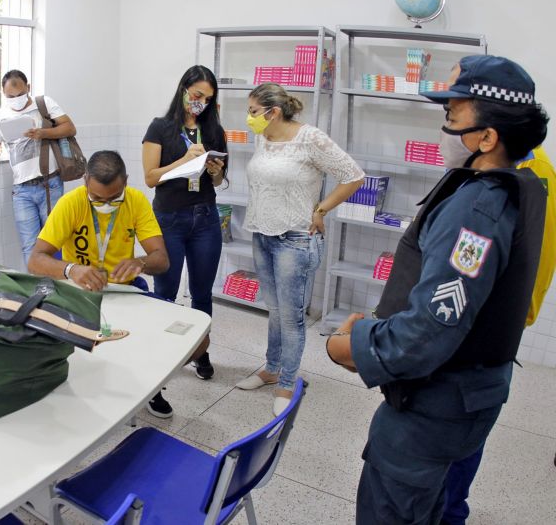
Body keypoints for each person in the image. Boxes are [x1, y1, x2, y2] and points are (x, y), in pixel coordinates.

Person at [326, 55, 549, 524]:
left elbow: (427, 332)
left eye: (451, 117)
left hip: (434, 407)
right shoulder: (520, 185)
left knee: (396, 508)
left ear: (487, 138)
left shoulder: (476, 210)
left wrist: (349, 346)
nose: (442, 129)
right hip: (470, 396)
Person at [440, 145, 556, 525]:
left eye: (454, 113)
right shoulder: (498, 173)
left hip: (476, 336)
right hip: (478, 331)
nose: (447, 129)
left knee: (458, 437)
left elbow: (526, 265)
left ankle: (448, 513)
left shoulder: (526, 176)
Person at [233, 83, 364, 416]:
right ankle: (271, 368)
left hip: (296, 239)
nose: (249, 118)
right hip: (262, 235)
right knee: (274, 311)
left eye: (253, 111)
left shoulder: (311, 138)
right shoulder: (264, 137)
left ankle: (287, 382)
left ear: (272, 112)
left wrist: (320, 210)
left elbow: (353, 176)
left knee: (291, 319)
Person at [27, 150, 174, 417]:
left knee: (147, 340)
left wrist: (140, 263)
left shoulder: (136, 201)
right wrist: (71, 269)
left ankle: (152, 390)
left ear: (126, 182)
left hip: (125, 287)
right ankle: (83, 391)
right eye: (96, 198)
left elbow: (161, 259)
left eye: (113, 198)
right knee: (78, 347)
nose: (105, 204)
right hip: (80, 289)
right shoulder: (70, 204)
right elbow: (35, 260)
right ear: (85, 182)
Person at [142, 65, 227, 381]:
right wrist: (184, 161)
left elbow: (217, 182)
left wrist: (214, 170)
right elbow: (150, 178)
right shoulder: (160, 128)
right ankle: (162, 355)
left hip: (205, 217)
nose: (201, 103)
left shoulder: (214, 129)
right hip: (169, 219)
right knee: (165, 292)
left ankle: (200, 351)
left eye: (208, 98)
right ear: (183, 90)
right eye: (197, 95)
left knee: (202, 293)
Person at [0, 69, 77, 268]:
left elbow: (70, 128)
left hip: (49, 184)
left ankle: (62, 288)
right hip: (21, 190)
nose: (16, 100)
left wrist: (42, 133)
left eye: (20, 95)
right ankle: (38, 290)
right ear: (3, 92)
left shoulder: (43, 104)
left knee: (56, 242)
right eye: (10, 96)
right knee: (30, 246)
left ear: (28, 88)